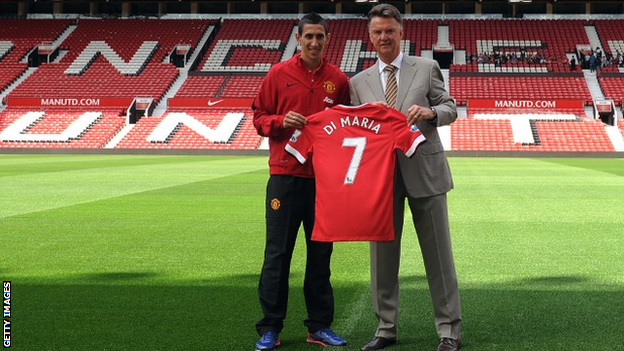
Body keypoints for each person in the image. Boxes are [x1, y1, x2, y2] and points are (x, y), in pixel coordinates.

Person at [349, 4, 462, 351]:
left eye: (390, 31)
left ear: (402, 33)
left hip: (425, 173)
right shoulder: (358, 83)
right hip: (381, 181)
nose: (384, 37)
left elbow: (451, 107)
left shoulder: (427, 68)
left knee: (439, 256)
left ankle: (449, 332)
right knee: (382, 258)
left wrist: (431, 112)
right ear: (370, 38)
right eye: (377, 32)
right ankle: (385, 329)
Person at [251, 12, 350, 351]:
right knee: (278, 254)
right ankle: (270, 328)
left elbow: (347, 127)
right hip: (285, 177)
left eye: (319, 36)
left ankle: (319, 326)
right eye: (308, 36)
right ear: (298, 38)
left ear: (327, 39)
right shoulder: (278, 74)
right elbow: (259, 117)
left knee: (321, 254)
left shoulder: (337, 80)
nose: (313, 42)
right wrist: (281, 120)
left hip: (324, 182)